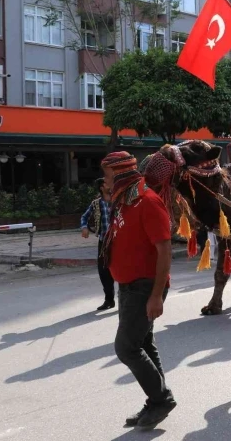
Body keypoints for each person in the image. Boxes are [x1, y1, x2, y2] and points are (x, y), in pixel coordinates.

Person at [100, 151, 176, 428]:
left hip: (144, 287)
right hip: (129, 286)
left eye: (107, 175)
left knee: (126, 348)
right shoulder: (125, 200)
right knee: (143, 343)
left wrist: (156, 295)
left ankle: (161, 399)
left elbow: (164, 249)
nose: (104, 181)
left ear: (119, 174)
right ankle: (156, 401)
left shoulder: (147, 201)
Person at [81, 178, 114, 310]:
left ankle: (125, 298)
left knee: (121, 268)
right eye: (106, 183)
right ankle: (109, 300)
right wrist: (84, 228)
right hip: (103, 241)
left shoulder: (118, 200)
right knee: (103, 271)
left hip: (119, 240)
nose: (110, 185)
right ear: (101, 187)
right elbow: (84, 217)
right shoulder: (96, 204)